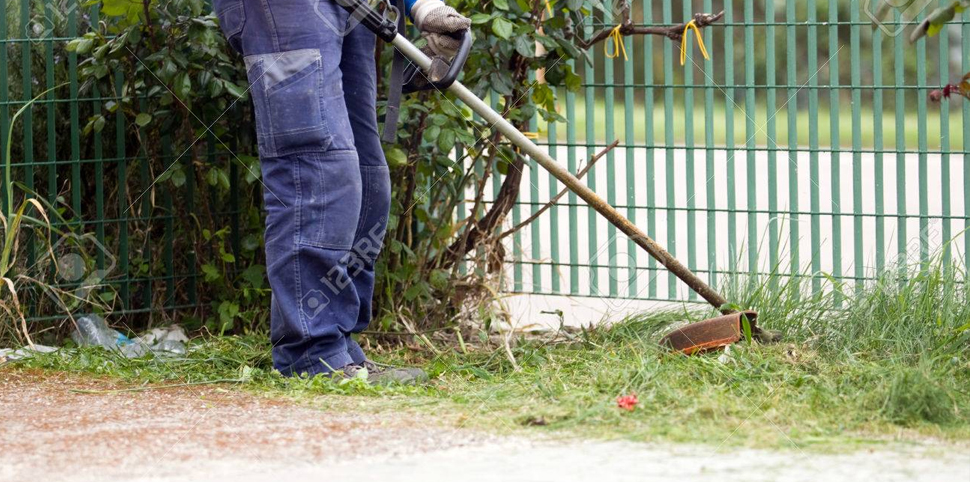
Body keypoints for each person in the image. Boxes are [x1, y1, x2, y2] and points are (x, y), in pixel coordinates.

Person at [212, 0, 470, 383]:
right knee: (314, 166)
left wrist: (419, 4)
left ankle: (337, 341)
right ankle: (310, 353)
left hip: (352, 8)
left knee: (366, 174)